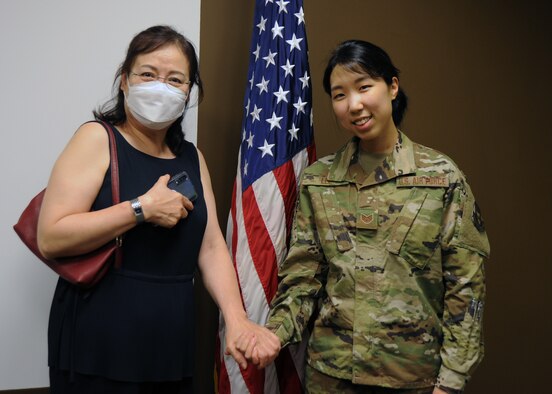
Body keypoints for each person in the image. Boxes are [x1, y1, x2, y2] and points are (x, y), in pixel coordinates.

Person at [37, 25, 278, 393]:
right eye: (148, 74)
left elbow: (211, 246)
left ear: (188, 92)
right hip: (99, 338)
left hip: (171, 339)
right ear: (124, 81)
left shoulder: (192, 158)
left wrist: (237, 319)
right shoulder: (97, 138)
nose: (160, 86)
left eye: (175, 79)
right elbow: (51, 237)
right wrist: (141, 208)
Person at [240, 40, 490, 393]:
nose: (353, 104)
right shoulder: (319, 180)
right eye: (339, 95)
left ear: (392, 86)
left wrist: (450, 382)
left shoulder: (442, 177)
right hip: (330, 377)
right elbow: (303, 279)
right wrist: (273, 334)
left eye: (364, 87)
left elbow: (466, 287)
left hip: (413, 380)